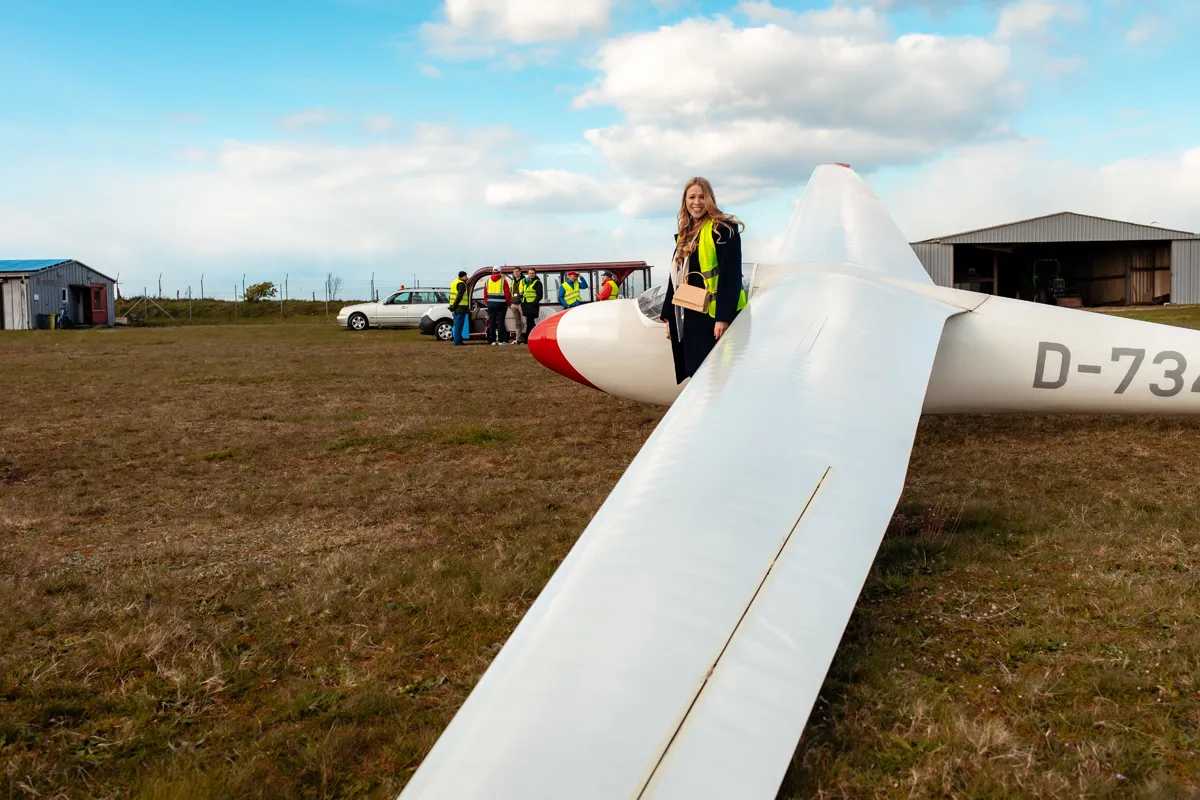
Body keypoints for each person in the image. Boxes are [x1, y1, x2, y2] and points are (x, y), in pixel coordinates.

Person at [659, 176, 747, 384]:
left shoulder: (723, 229)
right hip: (692, 313)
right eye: (692, 197)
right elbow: (675, 277)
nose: (696, 202)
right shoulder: (686, 233)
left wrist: (723, 318)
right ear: (685, 200)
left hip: (714, 316)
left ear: (709, 199)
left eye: (701, 197)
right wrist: (669, 316)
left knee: (718, 374)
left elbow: (731, 275)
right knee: (697, 372)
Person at [483, 266, 511, 345]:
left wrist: (487, 303)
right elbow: (507, 293)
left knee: (492, 322)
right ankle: (501, 340)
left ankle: (493, 341)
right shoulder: (503, 281)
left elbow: (485, 294)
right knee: (501, 322)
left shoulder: (487, 281)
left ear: (492, 272)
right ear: (500, 272)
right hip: (501, 304)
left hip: (491, 305)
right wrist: (508, 303)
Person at [517, 268, 542, 343]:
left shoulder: (537, 283)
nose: (531, 274)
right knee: (529, 322)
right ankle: (531, 337)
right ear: (528, 274)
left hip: (532, 305)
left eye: (533, 273)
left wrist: (534, 302)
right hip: (526, 305)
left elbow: (540, 295)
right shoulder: (526, 282)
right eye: (530, 273)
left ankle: (530, 338)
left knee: (530, 322)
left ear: (535, 274)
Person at [449, 270, 470, 346]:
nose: (467, 277)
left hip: (455, 307)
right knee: (459, 325)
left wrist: (452, 306)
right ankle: (457, 341)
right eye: (466, 276)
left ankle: (458, 340)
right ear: (463, 276)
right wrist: (454, 306)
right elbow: (459, 297)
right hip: (460, 307)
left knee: (456, 324)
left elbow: (451, 296)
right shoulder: (462, 284)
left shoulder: (454, 282)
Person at [508, 267, 525, 344]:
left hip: (521, 303)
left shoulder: (524, 280)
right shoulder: (512, 281)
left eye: (517, 271)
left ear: (520, 272)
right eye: (514, 272)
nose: (516, 273)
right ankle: (518, 339)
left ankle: (526, 338)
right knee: (517, 323)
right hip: (514, 303)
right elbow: (510, 291)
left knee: (525, 322)